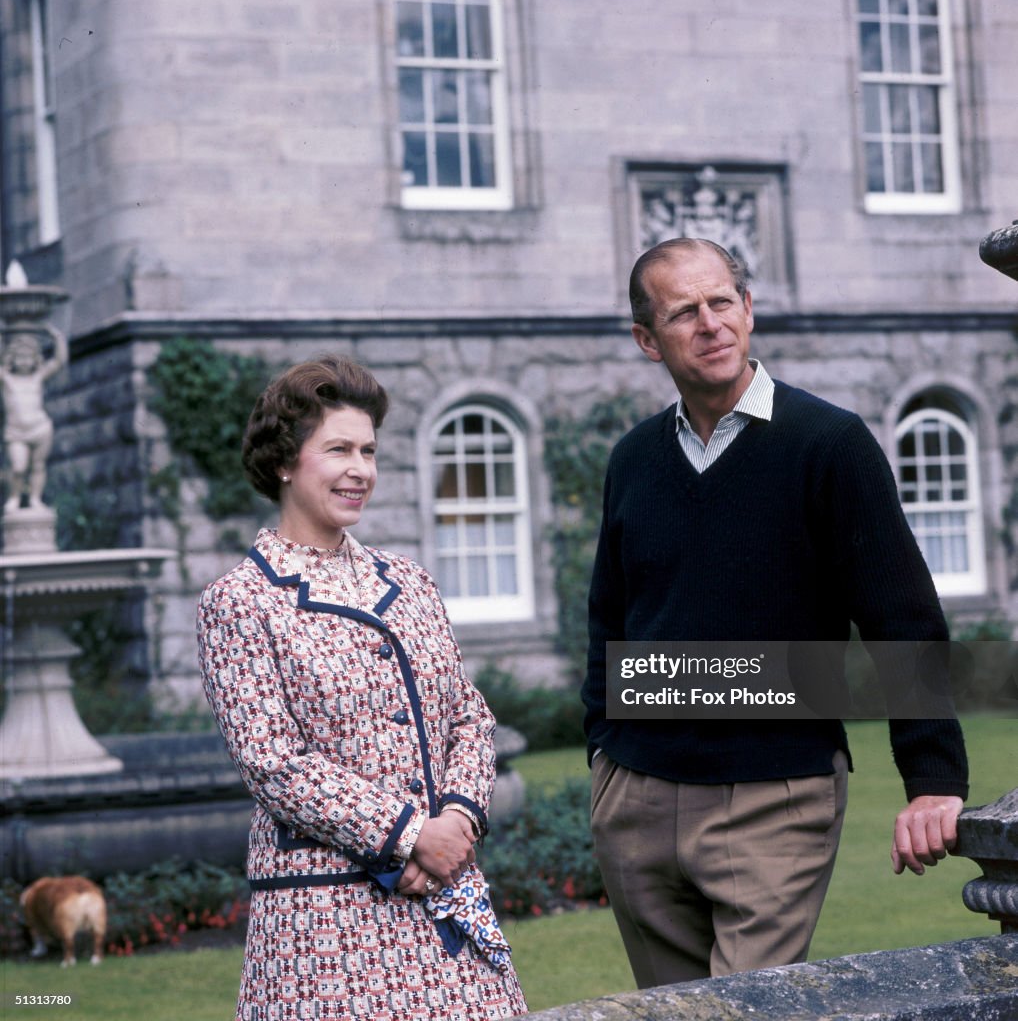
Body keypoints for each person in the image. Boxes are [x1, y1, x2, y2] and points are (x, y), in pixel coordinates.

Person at [582, 238, 969, 987]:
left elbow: (903, 618)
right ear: (646, 340)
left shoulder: (829, 444)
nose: (711, 324)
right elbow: (609, 621)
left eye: (722, 302)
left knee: (748, 1007)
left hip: (774, 795)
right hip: (638, 793)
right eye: (684, 312)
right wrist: (604, 750)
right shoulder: (633, 458)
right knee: (668, 1014)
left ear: (748, 309)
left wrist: (932, 778)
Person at [197, 355, 527, 1020]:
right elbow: (274, 762)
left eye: (369, 451)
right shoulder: (241, 601)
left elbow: (471, 719)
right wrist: (408, 835)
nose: (361, 469)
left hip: (445, 908)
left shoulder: (410, 583)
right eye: (339, 449)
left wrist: (455, 824)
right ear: (287, 462)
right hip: (324, 922)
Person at [1, 324, 67, 513]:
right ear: (11, 359)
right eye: (19, 357)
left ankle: (35, 499)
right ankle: (14, 497)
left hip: (40, 428)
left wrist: (57, 337)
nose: (23, 361)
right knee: (18, 467)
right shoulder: (7, 379)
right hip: (16, 431)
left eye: (28, 357)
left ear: (35, 359)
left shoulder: (37, 377)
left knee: (38, 466)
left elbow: (58, 361)